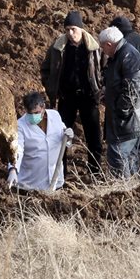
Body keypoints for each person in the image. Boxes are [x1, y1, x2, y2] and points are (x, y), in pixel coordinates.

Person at [40, 11, 103, 175]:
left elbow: (103, 69)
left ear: (81, 29)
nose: (70, 33)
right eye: (67, 29)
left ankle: (95, 171)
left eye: (73, 29)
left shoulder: (94, 47)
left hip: (89, 97)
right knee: (61, 135)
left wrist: (99, 90)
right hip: (66, 97)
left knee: (93, 135)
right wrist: (51, 88)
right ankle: (61, 173)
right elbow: (46, 69)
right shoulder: (58, 47)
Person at [99, 26, 140, 179]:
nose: (103, 51)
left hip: (128, 121)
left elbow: (132, 89)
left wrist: (121, 111)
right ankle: (132, 189)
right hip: (127, 119)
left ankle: (122, 190)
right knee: (129, 158)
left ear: (109, 44)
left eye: (102, 47)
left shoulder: (128, 55)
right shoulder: (120, 55)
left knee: (118, 156)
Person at [7, 92, 73, 191]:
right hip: (29, 185)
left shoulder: (55, 116)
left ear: (43, 108)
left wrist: (68, 136)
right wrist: (13, 169)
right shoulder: (21, 125)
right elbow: (17, 149)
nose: (33, 116)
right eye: (30, 113)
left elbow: (63, 138)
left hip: (54, 181)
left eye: (36, 113)